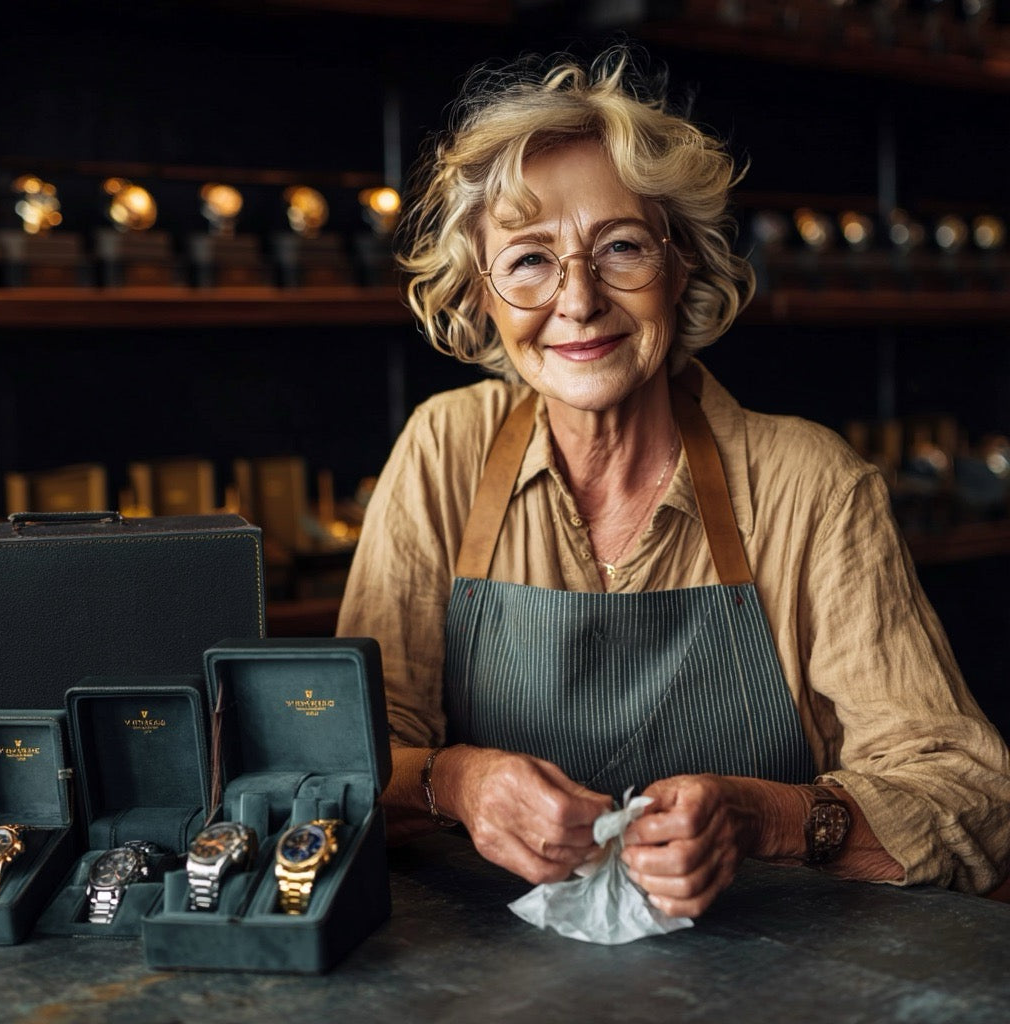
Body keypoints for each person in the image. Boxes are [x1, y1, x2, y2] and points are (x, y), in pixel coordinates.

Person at [337, 44, 1010, 918]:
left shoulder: (808, 482)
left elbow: (974, 796)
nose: (578, 302)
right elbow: (339, 754)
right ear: (482, 294)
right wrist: (456, 783)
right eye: (530, 260)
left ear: (681, 262)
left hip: (777, 973)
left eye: (619, 247)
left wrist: (769, 816)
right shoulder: (444, 451)